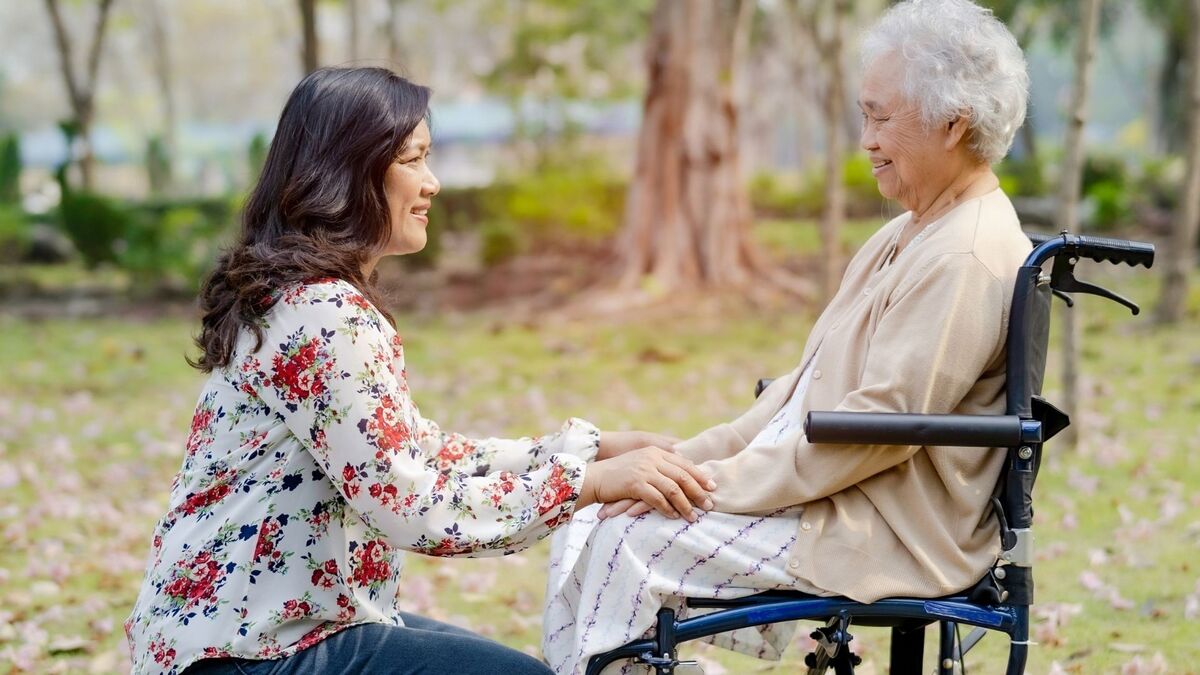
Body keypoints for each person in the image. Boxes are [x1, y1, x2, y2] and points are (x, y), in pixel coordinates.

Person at [124, 67, 715, 675]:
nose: (432, 183)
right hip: (246, 652)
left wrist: (590, 450)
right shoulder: (322, 312)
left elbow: (416, 452)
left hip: (264, 626)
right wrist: (585, 484)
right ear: (348, 170)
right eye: (413, 160)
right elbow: (410, 502)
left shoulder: (303, 298)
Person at [542, 0, 1035, 671]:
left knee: (625, 538)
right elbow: (795, 399)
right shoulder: (907, 231)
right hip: (835, 494)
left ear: (954, 124)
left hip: (886, 529)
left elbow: (878, 433)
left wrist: (707, 484)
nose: (866, 139)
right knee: (594, 511)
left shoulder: (964, 254)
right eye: (865, 114)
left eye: (880, 117)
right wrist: (683, 462)